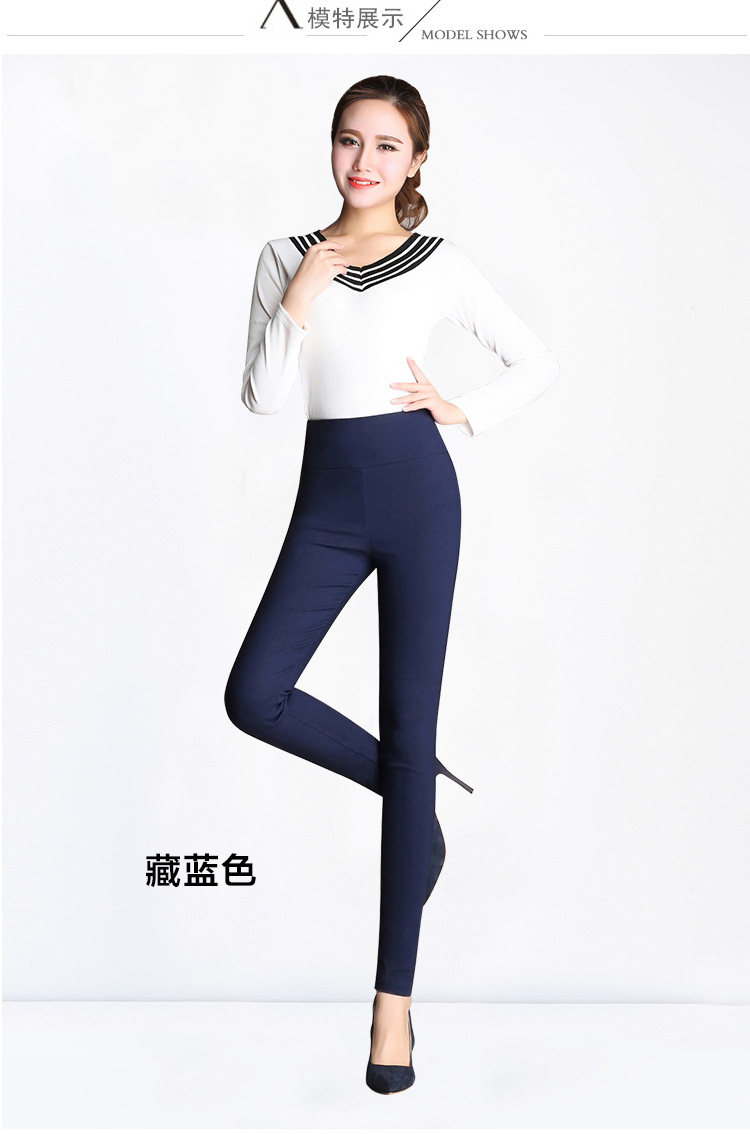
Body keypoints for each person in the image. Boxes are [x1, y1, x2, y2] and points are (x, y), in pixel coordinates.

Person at [224, 73, 560, 1094]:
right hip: (327, 499)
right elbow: (262, 398)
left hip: (418, 493)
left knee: (413, 722)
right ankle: (413, 791)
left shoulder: (437, 261)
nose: (362, 161)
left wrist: (465, 410)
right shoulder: (286, 256)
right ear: (330, 148)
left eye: (384, 145)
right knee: (255, 694)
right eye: (348, 140)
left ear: (416, 161)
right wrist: (300, 297)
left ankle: (392, 1010)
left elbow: (535, 361)